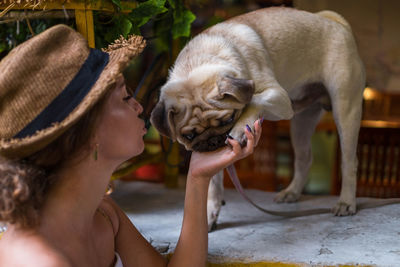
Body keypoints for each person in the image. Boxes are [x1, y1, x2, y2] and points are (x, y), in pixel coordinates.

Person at [0, 25, 262, 267]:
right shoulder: (40, 260)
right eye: (125, 97)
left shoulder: (104, 216)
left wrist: (198, 176)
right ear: (87, 132)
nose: (138, 106)